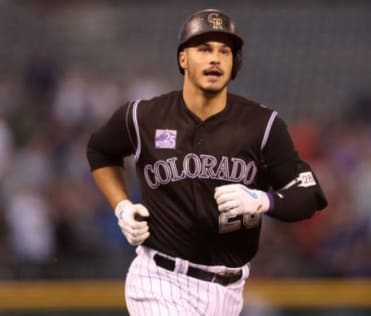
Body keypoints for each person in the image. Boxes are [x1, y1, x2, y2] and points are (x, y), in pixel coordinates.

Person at [86, 8, 328, 316]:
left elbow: (308, 196)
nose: (215, 58)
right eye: (204, 49)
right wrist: (121, 206)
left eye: (224, 51)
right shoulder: (143, 116)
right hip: (160, 279)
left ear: (234, 63)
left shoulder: (262, 125)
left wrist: (263, 200)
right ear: (183, 59)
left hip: (229, 292)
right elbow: (100, 151)